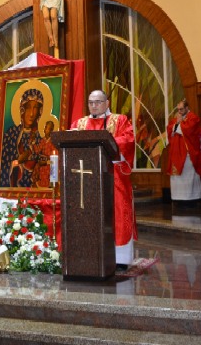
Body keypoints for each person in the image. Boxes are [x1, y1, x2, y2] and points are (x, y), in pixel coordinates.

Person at [71, 90, 136, 269]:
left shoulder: (119, 120)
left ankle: (120, 258)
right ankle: (89, 253)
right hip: (86, 179)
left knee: (118, 212)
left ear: (107, 103)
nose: (94, 106)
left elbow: (128, 140)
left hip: (114, 176)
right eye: (91, 102)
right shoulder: (80, 123)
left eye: (98, 102)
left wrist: (106, 141)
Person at [0, 88, 45, 188]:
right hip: (15, 190)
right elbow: (2, 166)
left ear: (40, 111)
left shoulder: (41, 137)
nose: (31, 113)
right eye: (28, 107)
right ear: (22, 110)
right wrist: (16, 163)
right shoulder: (11, 134)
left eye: (35, 108)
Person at [165, 99, 201, 205]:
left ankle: (191, 199)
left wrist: (178, 124)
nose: (179, 111)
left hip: (188, 153)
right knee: (177, 176)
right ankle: (178, 199)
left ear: (187, 108)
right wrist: (177, 123)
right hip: (176, 152)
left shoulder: (193, 117)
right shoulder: (176, 119)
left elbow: (189, 130)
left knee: (188, 175)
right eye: (178, 109)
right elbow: (169, 129)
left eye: (181, 109)